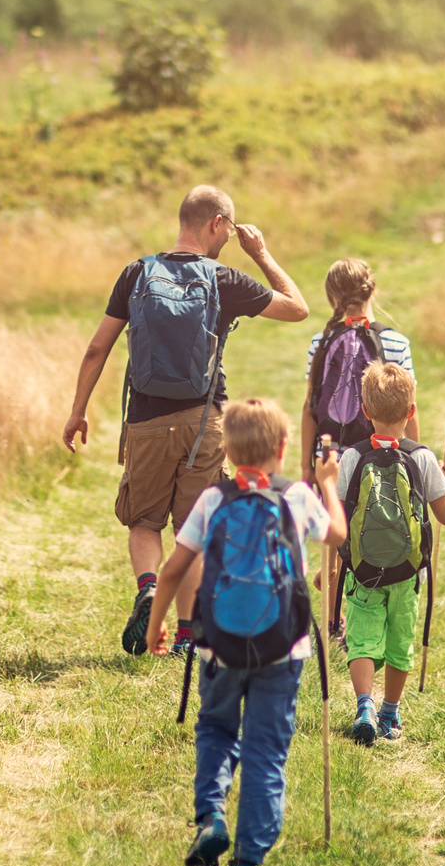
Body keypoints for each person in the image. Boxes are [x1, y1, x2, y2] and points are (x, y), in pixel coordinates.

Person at [62, 185, 309, 658]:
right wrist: (261, 253)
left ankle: (149, 587)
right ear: (217, 223)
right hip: (204, 423)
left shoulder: (137, 273)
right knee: (193, 526)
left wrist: (78, 410)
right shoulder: (222, 278)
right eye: (230, 230)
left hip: (146, 421)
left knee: (144, 519)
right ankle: (185, 636)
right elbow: (296, 307)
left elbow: (98, 347)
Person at [144, 397, 346, 866]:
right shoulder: (297, 496)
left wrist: (157, 625)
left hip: (218, 645)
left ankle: (212, 816)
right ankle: (248, 863)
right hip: (284, 648)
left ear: (228, 453)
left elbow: (172, 570)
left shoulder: (212, 500)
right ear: (282, 448)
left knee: (215, 729)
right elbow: (337, 535)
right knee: (265, 751)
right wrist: (327, 484)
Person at [336, 362, 445, 746]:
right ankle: (390, 713)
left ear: (365, 411)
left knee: (362, 639)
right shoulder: (422, 458)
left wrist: (335, 567)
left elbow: (339, 518)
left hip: (362, 571)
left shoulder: (351, 459)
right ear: (412, 411)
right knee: (399, 642)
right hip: (407, 574)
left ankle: (365, 704)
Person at [299, 258, 414, 640]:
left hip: (330, 454)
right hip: (374, 455)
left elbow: (310, 407)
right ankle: (364, 612)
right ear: (372, 290)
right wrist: (413, 454)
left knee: (333, 538)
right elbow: (409, 405)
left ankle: (331, 624)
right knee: (367, 531)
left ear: (332, 295)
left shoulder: (321, 342)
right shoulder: (395, 342)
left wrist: (306, 466)